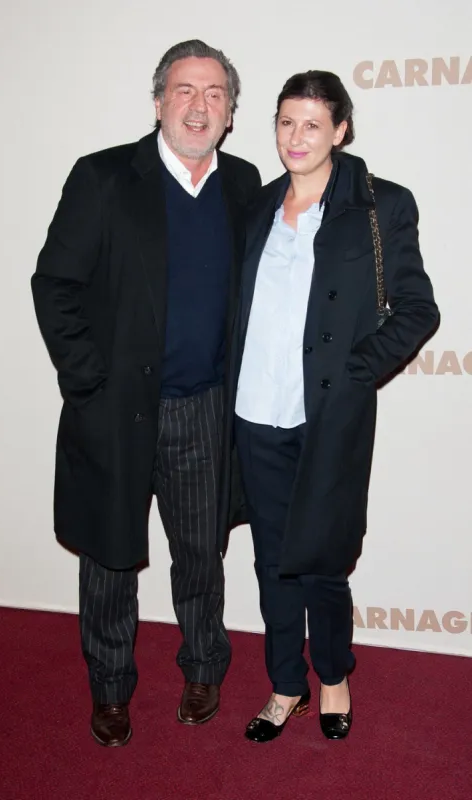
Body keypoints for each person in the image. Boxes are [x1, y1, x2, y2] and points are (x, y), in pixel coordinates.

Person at [31, 39, 261, 747]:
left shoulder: (244, 185)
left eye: (215, 93)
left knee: (200, 555)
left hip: (205, 409)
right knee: (108, 559)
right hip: (117, 414)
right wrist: (89, 385)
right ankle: (109, 689)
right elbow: (55, 286)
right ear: (159, 99)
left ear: (230, 113)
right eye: (186, 90)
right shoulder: (103, 178)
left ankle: (202, 669)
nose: (199, 106)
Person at [229, 70, 438, 742]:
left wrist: (356, 373)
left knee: (321, 557)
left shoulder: (380, 207)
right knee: (271, 561)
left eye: (312, 124)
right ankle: (285, 682)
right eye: (286, 122)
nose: (297, 137)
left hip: (327, 419)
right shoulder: (259, 207)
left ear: (341, 130)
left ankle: (334, 675)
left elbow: (417, 309)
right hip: (254, 413)